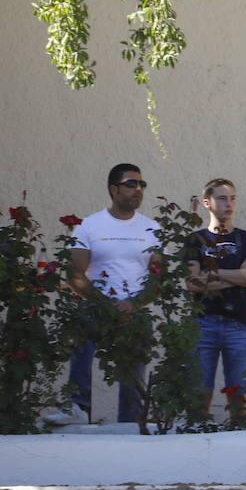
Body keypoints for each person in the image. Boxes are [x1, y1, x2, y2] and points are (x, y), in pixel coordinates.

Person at [43, 163, 162, 425]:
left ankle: (131, 421)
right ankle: (78, 407)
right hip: (97, 308)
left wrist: (133, 303)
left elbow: (159, 280)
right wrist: (107, 305)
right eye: (131, 184)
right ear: (113, 189)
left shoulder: (151, 228)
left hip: (135, 311)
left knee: (134, 370)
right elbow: (74, 274)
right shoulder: (90, 226)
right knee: (82, 321)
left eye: (142, 185)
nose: (138, 190)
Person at [185, 178, 246, 423]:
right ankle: (196, 437)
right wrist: (238, 275)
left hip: (238, 324)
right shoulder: (195, 240)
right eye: (221, 198)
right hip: (203, 323)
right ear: (207, 203)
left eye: (232, 198)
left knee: (239, 396)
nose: (228, 204)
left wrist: (214, 274)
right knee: (199, 394)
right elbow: (192, 282)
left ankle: (239, 441)